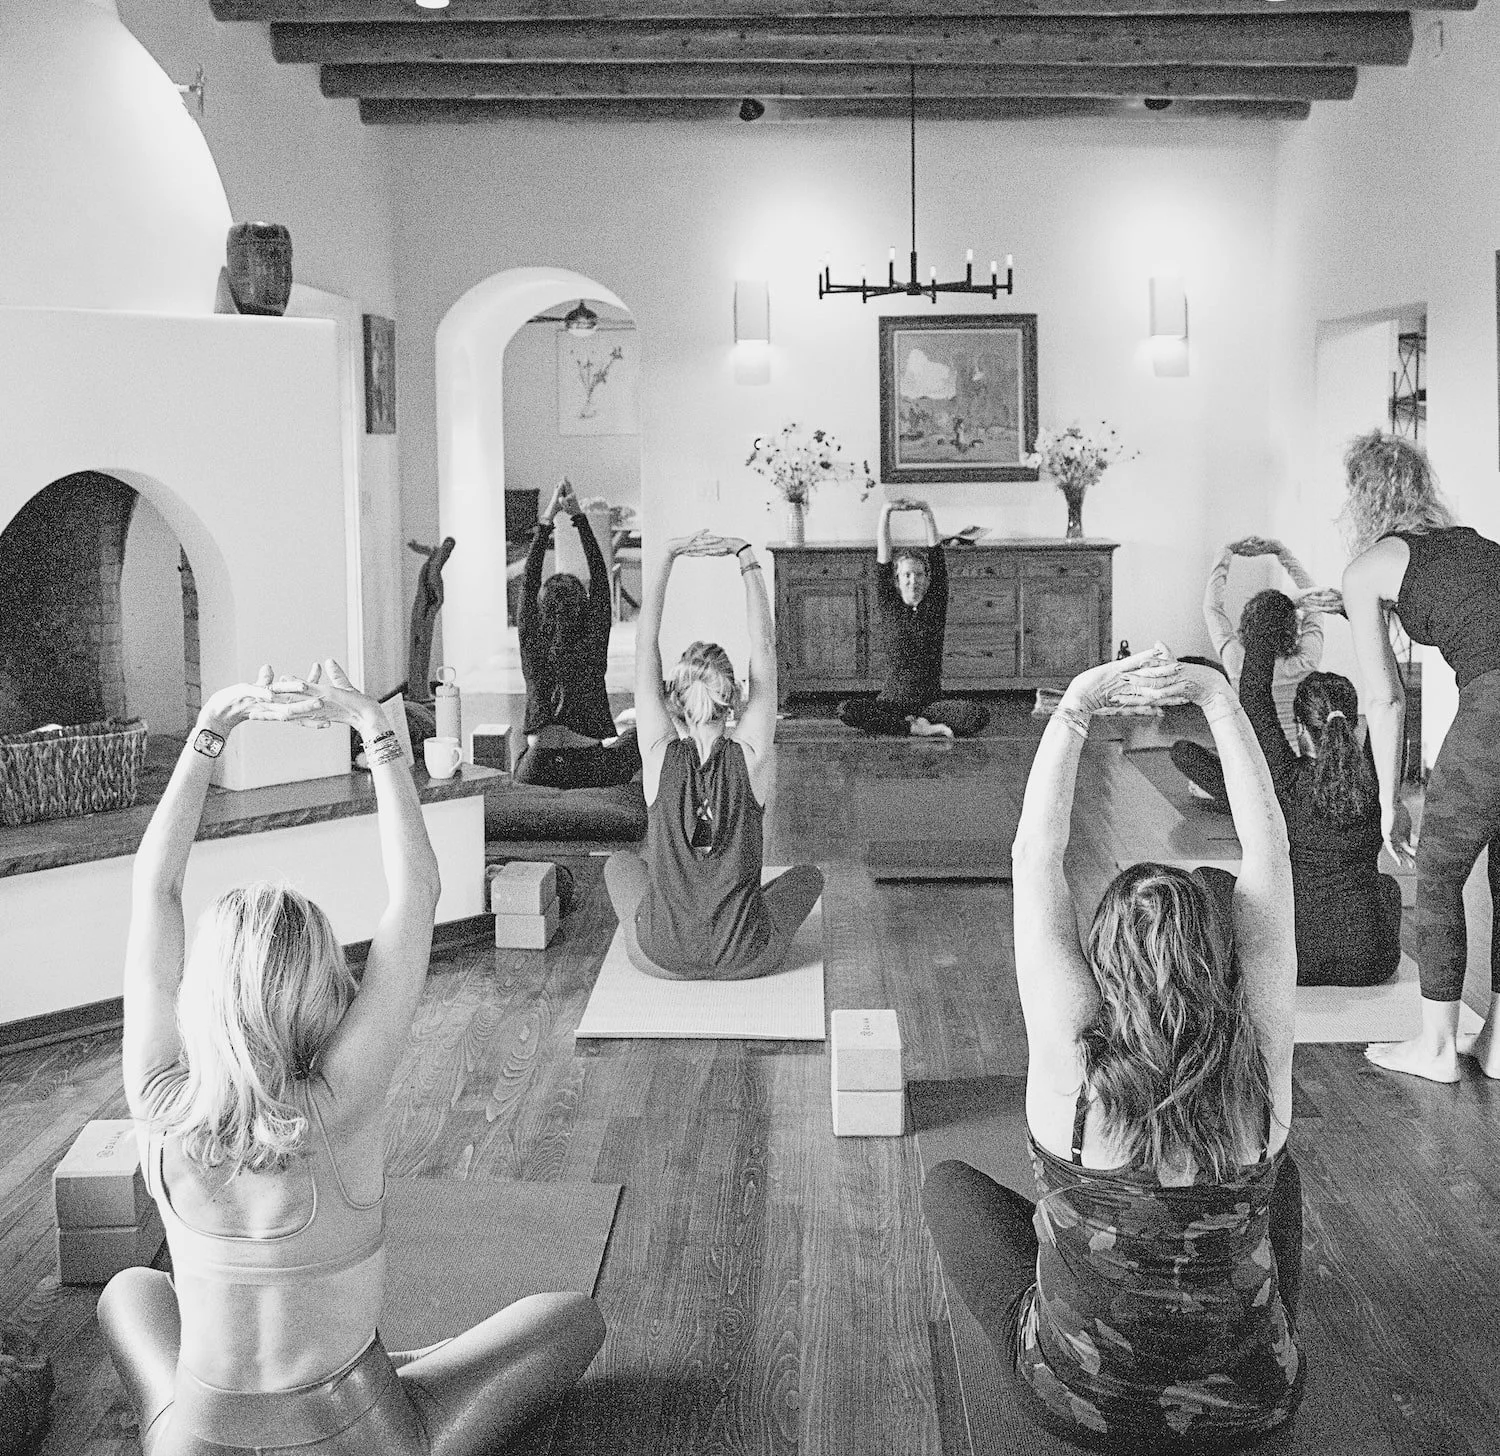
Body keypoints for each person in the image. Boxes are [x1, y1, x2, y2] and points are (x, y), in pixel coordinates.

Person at [98, 661, 605, 1455]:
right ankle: (405, 1377)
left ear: (203, 989)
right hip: (359, 1437)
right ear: (322, 985)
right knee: (572, 1318)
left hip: (194, 1441)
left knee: (130, 1292)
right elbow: (417, 896)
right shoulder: (341, 1099)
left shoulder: (158, 1096)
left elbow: (154, 891)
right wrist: (375, 728)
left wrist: (216, 724)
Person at [923, 647, 1305, 1453]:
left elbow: (1035, 859)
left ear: (1106, 961)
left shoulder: (1073, 1071)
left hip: (1077, 1403)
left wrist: (1076, 708)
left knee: (948, 1189)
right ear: (1217, 958)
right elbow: (1272, 852)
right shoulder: (1261, 1073)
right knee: (1283, 1179)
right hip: (1256, 1407)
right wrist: (1216, 697)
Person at [1340, 431, 1500, 1082]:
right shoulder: (1478, 547)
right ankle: (1495, 1044)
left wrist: (1388, 801)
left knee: (1436, 873)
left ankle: (1436, 1048)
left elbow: (1384, 698)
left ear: (1362, 496)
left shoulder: (1371, 565)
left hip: (1493, 704)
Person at [604, 532, 823, 981]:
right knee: (807, 878)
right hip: (747, 957)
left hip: (660, 956)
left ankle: (679, 931)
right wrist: (746, 555)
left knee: (619, 865)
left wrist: (665, 553)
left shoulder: (656, 752)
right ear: (735, 697)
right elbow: (765, 647)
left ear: (673, 700)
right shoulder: (754, 754)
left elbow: (645, 645)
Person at [1240, 602, 1403, 987]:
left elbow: (1252, 694)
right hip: (1373, 962)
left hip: (1294, 960)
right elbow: (1394, 699)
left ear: (1299, 729)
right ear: (1356, 724)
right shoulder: (1379, 780)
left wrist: (1275, 612)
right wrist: (1367, 618)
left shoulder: (1284, 779)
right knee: (1388, 888)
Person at [1171, 536, 1327, 812]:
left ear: (1248, 623)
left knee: (1182, 751)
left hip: (1246, 770)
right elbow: (1315, 602)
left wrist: (1227, 551)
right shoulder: (1304, 661)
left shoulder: (1236, 659)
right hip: (1288, 772)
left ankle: (1232, 797)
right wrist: (1282, 551)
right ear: (1291, 626)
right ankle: (1244, 798)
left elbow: (1212, 608)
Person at [514, 478, 640, 790]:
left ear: (541, 608)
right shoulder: (594, 636)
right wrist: (578, 517)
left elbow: (528, 582)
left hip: (537, 769)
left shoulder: (531, 640)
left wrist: (547, 519)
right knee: (636, 736)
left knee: (519, 756)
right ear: (584, 607)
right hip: (590, 768)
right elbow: (600, 574)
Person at [836, 498, 989, 739]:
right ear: (897, 580)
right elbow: (883, 559)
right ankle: (914, 728)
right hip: (891, 704)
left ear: (927, 579)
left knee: (977, 715)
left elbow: (936, 558)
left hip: (930, 706)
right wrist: (886, 511)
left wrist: (926, 512)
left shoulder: (934, 605)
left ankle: (916, 724)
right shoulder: (889, 605)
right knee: (847, 710)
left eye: (918, 574)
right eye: (906, 574)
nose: (913, 580)